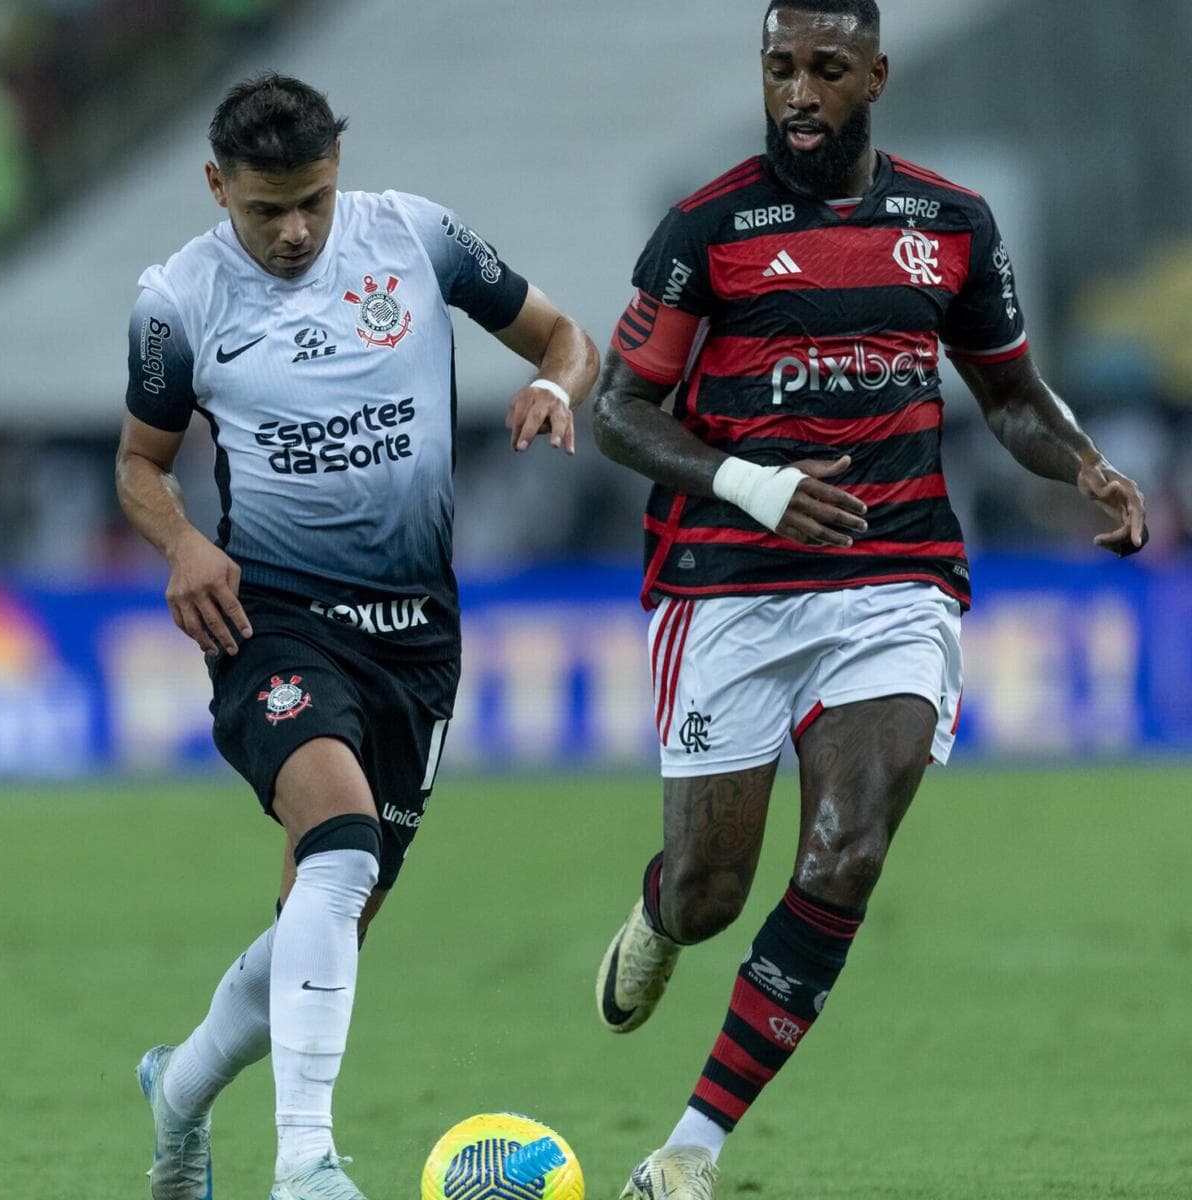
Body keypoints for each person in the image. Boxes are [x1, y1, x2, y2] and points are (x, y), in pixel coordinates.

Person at [587, 4, 1147, 1198]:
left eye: (825, 70)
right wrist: (755, 485)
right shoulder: (708, 227)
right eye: (780, 68)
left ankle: (691, 1150)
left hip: (894, 579)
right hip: (729, 583)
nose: (799, 91)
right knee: (709, 891)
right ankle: (658, 917)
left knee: (846, 850)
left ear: (875, 76)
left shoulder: (949, 225)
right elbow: (621, 413)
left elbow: (1006, 395)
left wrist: (1087, 465)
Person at [116, 73, 600, 1200]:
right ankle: (308, 1168)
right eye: (264, 209)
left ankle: (179, 1093)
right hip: (269, 620)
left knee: (324, 920)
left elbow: (568, 336)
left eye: (312, 203)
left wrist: (555, 386)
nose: (291, 232)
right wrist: (185, 544)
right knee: (336, 843)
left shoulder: (415, 238)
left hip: (419, 638)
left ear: (342, 170)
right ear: (215, 187)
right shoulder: (177, 299)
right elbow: (139, 467)